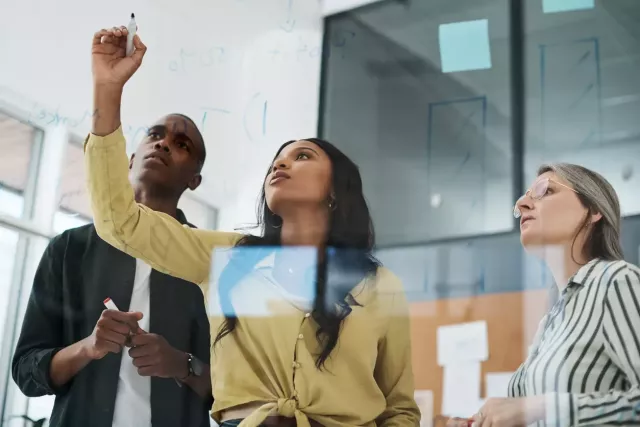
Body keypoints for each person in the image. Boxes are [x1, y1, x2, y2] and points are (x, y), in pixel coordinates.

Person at [83, 25, 421, 427]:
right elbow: (119, 222)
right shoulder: (229, 259)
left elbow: (399, 410)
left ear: (336, 190)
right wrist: (107, 89)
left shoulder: (380, 285)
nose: (280, 164)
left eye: (303, 157)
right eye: (277, 160)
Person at [12, 112, 214, 427]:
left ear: (194, 180)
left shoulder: (211, 262)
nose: (162, 144)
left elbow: (233, 392)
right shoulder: (69, 249)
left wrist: (182, 364)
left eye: (181, 144)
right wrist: (87, 348)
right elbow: (26, 371)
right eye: (154, 134)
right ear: (131, 159)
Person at [450, 163, 640, 427]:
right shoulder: (551, 319)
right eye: (524, 198)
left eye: (545, 191)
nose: (522, 204)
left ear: (594, 210)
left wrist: (543, 408)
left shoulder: (616, 282)